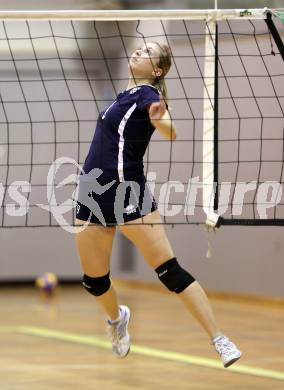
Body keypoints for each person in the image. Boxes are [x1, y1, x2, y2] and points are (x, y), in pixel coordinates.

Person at [75, 41, 242, 368]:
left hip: (128, 191)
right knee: (94, 281)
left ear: (157, 71)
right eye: (140, 48)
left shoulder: (149, 95)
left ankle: (219, 338)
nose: (138, 51)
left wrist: (162, 121)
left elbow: (169, 128)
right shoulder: (121, 97)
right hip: (93, 192)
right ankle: (116, 319)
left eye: (148, 52)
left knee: (170, 272)